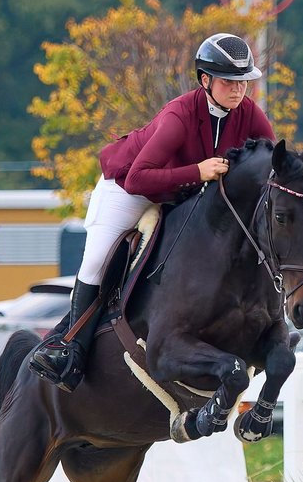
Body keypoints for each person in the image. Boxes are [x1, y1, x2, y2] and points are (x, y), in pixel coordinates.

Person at [29, 33, 276, 391]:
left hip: (181, 194)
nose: (238, 90)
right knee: (98, 259)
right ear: (205, 80)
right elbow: (137, 179)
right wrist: (197, 172)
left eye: (243, 82)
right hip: (128, 187)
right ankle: (68, 348)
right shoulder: (179, 115)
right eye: (228, 82)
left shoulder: (249, 113)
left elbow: (272, 162)